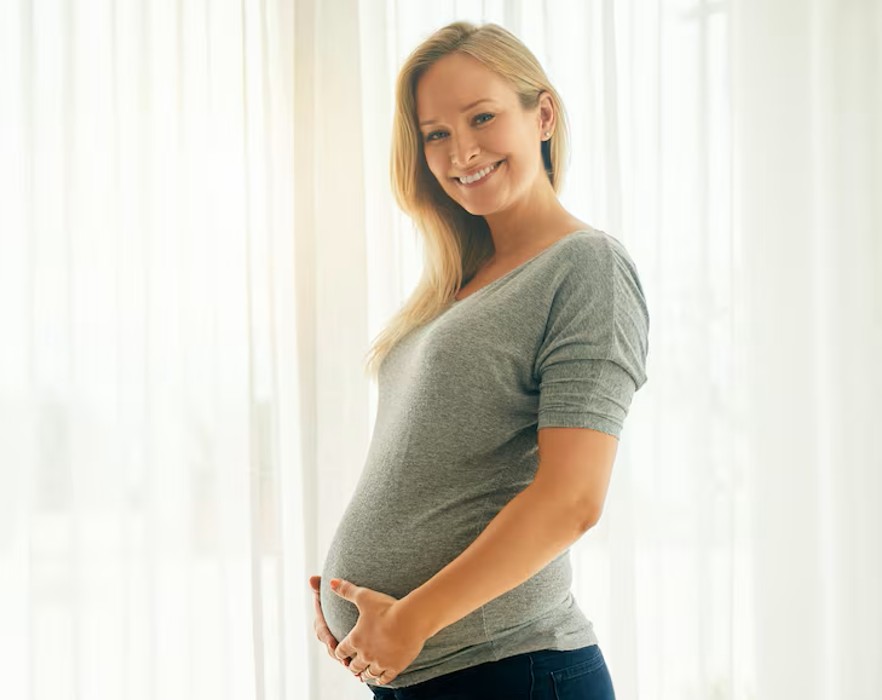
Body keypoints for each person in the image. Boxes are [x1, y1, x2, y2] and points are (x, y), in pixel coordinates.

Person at [309, 20, 649, 699]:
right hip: (431, 674)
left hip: (512, 672)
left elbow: (572, 499)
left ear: (542, 115)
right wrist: (354, 609)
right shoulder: (457, 285)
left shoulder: (587, 266)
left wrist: (413, 618)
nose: (461, 151)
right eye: (436, 134)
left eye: (482, 117)